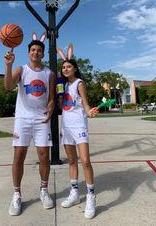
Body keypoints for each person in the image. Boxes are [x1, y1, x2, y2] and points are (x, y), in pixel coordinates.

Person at [4, 33, 56, 216]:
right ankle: (17, 194)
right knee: (19, 155)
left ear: (42, 54)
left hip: (41, 119)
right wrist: (8, 65)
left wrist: (50, 108)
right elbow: (9, 86)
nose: (36, 52)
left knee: (44, 156)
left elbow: (51, 98)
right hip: (23, 119)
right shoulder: (21, 69)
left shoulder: (49, 73)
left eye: (39, 50)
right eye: (33, 50)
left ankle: (44, 190)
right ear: (28, 53)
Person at [57, 44, 98, 219]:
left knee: (86, 161)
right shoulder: (63, 85)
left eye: (69, 66)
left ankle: (90, 195)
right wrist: (58, 94)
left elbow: (85, 103)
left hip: (79, 125)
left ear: (74, 69)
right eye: (63, 67)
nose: (66, 69)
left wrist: (89, 111)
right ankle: (74, 193)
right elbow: (61, 107)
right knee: (72, 160)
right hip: (66, 126)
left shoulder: (79, 83)